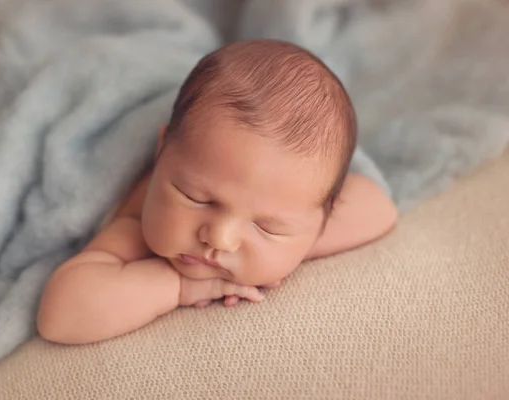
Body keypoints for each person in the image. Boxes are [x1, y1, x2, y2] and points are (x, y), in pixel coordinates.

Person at [36, 39, 398, 344]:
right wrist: (177, 287)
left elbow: (379, 208)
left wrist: (290, 248)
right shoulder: (138, 221)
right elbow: (60, 316)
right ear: (162, 150)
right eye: (198, 198)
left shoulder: (295, 195)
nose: (220, 238)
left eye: (267, 226)